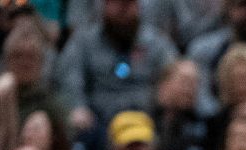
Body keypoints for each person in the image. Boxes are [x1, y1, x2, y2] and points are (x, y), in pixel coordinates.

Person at [56, 0, 178, 136]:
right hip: (97, 124)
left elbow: (173, 72)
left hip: (148, 122)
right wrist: (77, 107)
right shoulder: (83, 42)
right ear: (105, 5)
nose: (124, 11)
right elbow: (70, 81)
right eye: (118, 4)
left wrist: (169, 91)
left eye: (129, 5)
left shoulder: (156, 42)